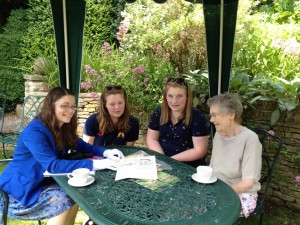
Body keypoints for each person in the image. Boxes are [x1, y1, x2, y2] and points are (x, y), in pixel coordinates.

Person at [0, 87, 124, 225]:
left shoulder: (62, 126)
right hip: (18, 192)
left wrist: (104, 152)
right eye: (64, 106)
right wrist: (96, 164)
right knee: (63, 199)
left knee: (78, 191)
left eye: (73, 106)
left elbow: (81, 145)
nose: (70, 110)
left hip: (41, 181)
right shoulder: (35, 131)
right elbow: (54, 166)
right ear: (51, 106)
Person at [207, 93, 262, 218]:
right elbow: (213, 166)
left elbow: (247, 183)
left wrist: (220, 193)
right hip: (217, 187)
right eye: (211, 115)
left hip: (241, 193)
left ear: (231, 115)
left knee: (211, 214)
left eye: (215, 115)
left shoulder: (250, 139)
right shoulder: (219, 134)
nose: (211, 120)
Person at [146, 77, 210, 167]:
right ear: (165, 97)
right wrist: (162, 158)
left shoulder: (197, 117)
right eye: (170, 96)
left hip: (188, 166)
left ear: (187, 97)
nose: (174, 101)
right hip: (161, 161)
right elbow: (152, 139)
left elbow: (199, 150)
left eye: (179, 96)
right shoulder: (159, 112)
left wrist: (170, 161)